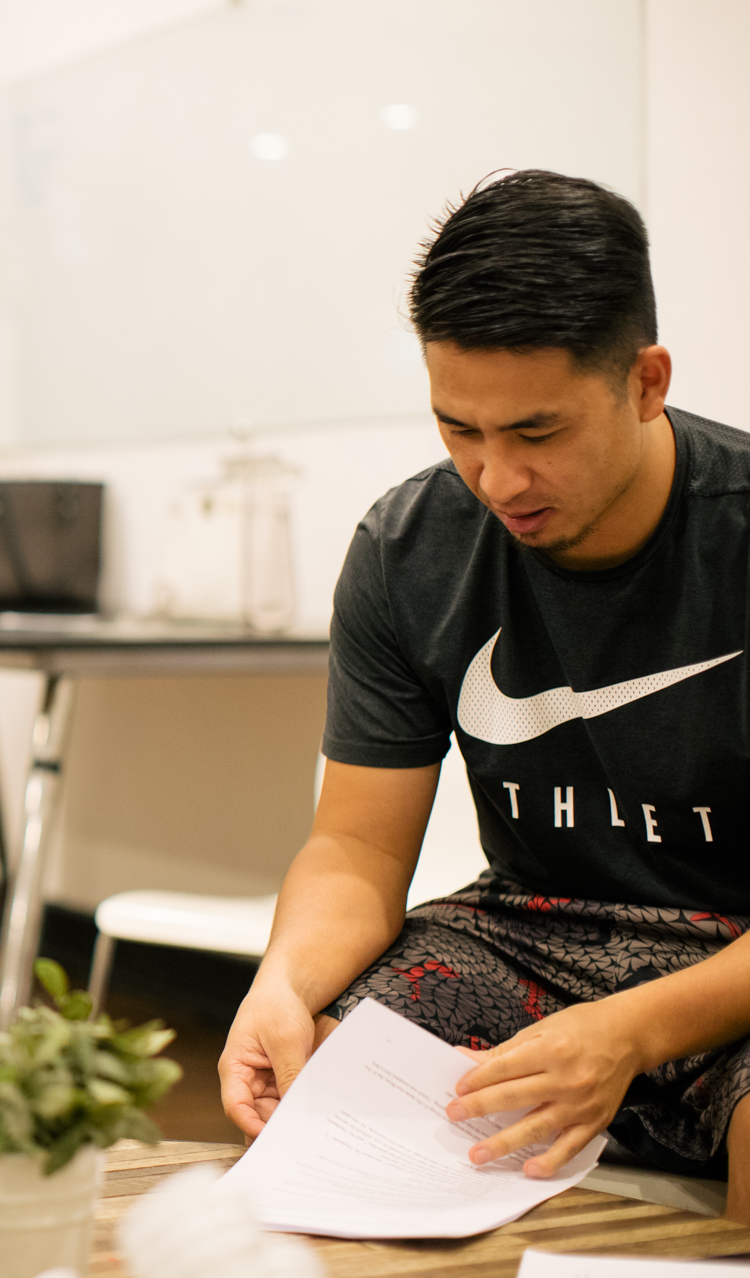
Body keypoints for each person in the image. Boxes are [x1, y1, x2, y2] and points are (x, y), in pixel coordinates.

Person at [218, 170, 750, 1221]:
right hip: (527, 934)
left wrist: (633, 1029)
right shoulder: (404, 548)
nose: (493, 477)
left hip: (733, 953)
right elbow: (357, 850)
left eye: (535, 433)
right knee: (327, 1086)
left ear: (643, 381)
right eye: (456, 427)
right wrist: (280, 980)